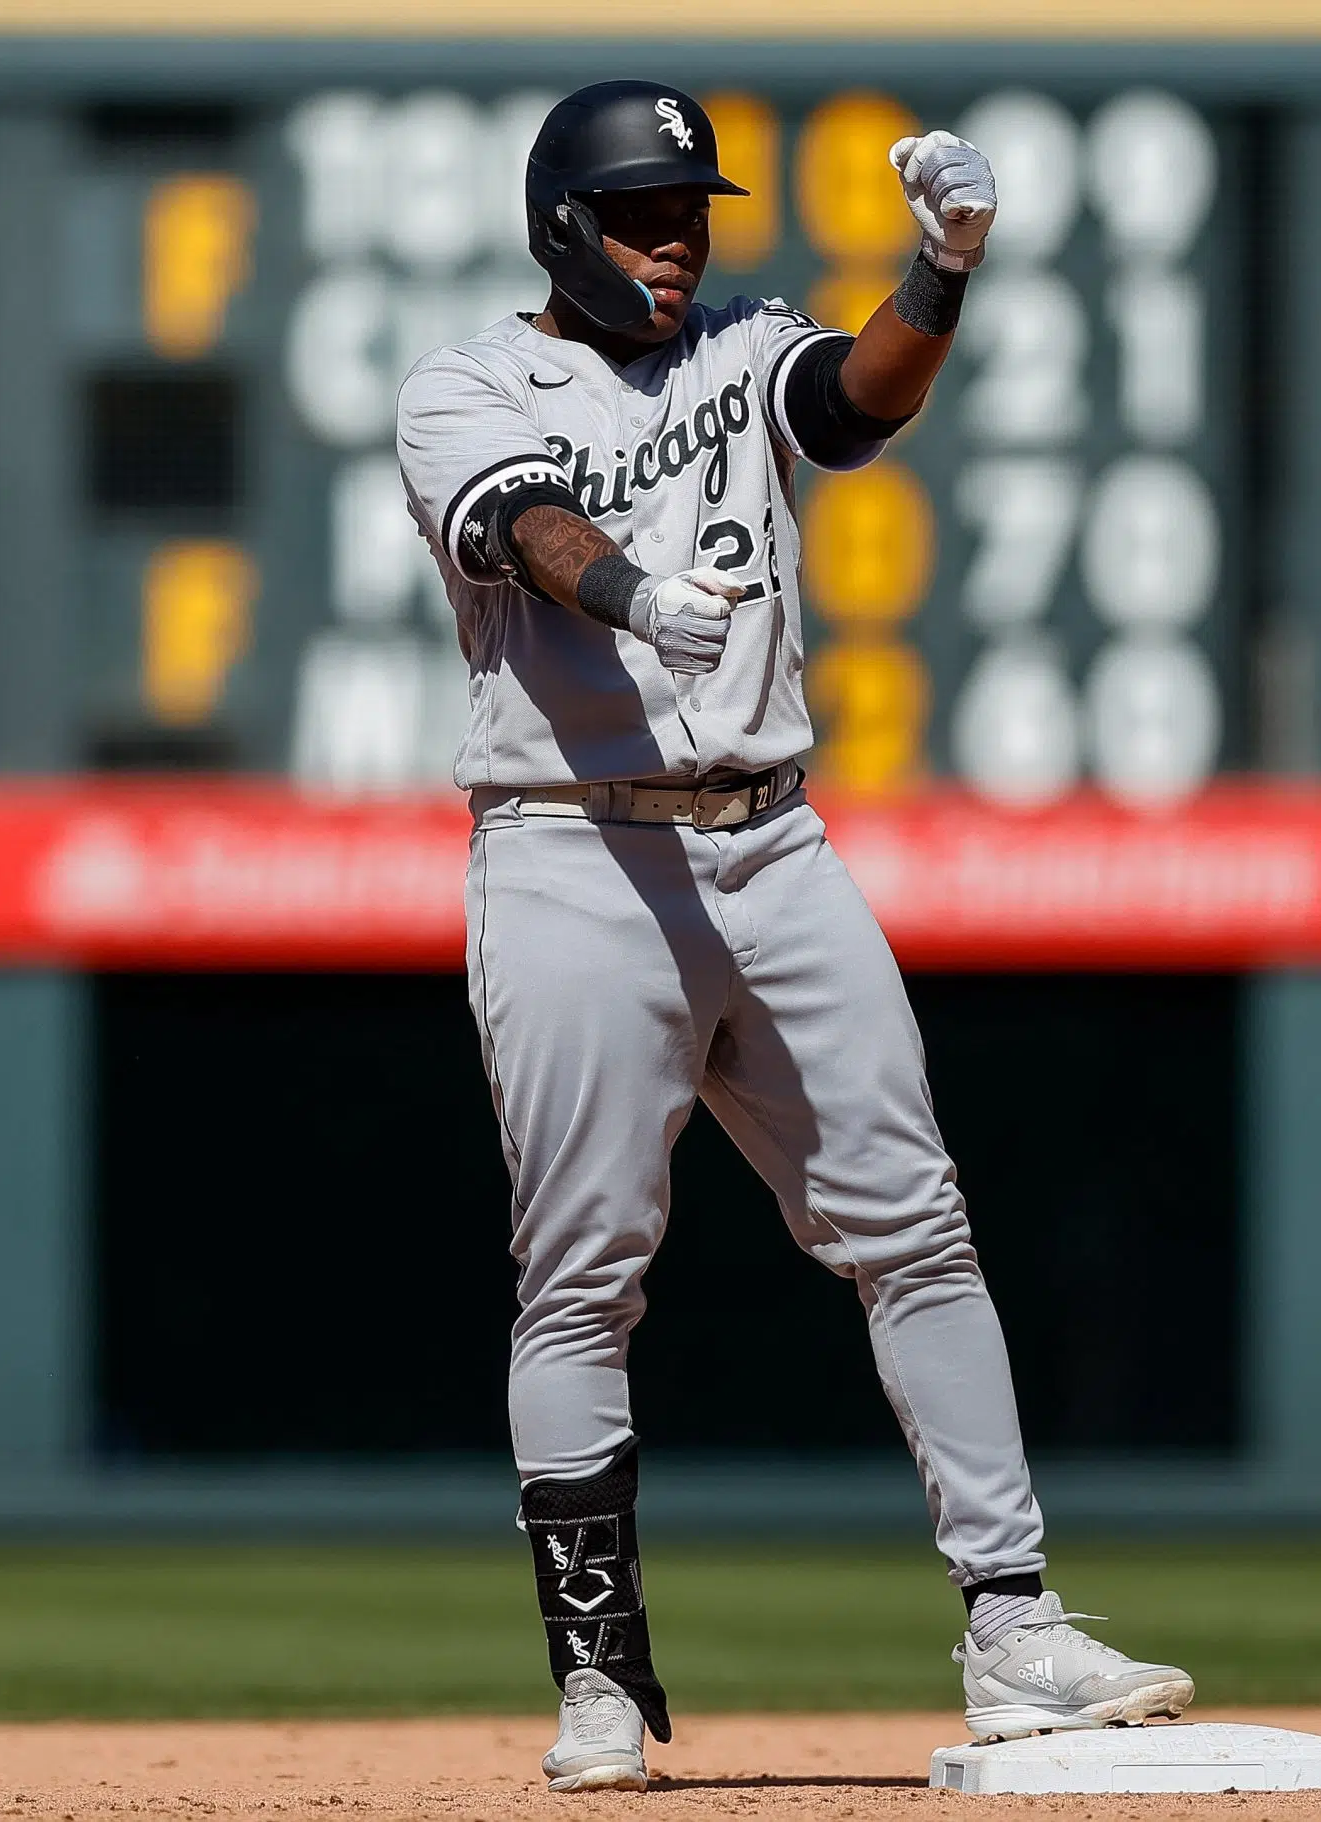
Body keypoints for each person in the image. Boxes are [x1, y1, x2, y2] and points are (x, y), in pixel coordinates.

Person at [394, 78, 1194, 1793]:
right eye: (644, 215)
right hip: (568, 856)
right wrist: (627, 592)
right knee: (585, 1274)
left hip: (772, 839)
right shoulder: (465, 383)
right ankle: (599, 1680)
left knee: (917, 1224)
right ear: (562, 227)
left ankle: (1015, 1624)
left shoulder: (737, 339)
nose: (678, 242)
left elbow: (847, 404)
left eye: (693, 214)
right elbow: (521, 524)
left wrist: (942, 271)